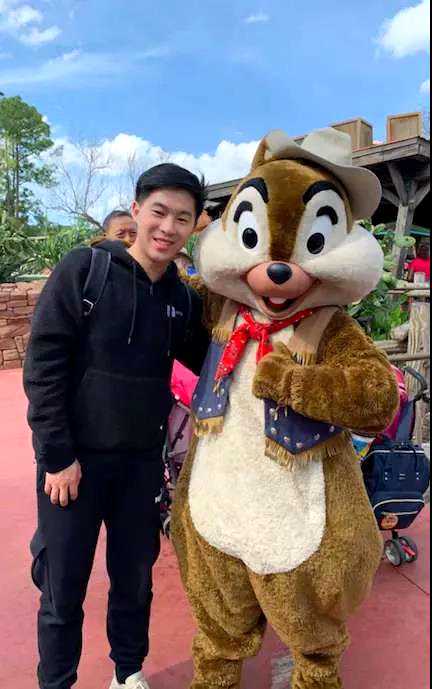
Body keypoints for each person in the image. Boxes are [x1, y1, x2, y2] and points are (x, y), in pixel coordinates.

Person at [23, 163, 210, 689]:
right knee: (63, 588)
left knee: (135, 581)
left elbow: (214, 361)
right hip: (73, 466)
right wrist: (57, 456)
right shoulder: (86, 271)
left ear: (193, 226)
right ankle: (55, 681)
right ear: (137, 210)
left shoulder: (181, 299)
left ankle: (127, 672)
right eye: (159, 212)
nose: (168, 227)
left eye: (182, 218)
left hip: (140, 466)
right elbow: (44, 367)